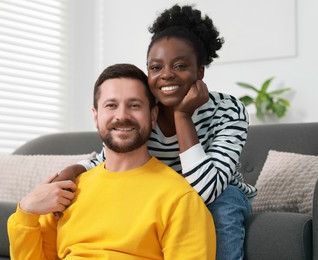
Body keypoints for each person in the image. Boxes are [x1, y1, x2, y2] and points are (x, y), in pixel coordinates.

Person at [55, 4, 257, 260]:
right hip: (159, 192)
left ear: (200, 71)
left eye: (180, 66)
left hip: (217, 192)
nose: (166, 76)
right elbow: (109, 157)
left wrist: (182, 116)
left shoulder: (228, 110)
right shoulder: (144, 109)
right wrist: (74, 170)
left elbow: (206, 191)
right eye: (156, 67)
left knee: (223, 207)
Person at [7, 63, 216, 259]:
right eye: (111, 105)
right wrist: (27, 211)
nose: (122, 115)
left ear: (152, 116)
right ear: (96, 116)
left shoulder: (180, 199)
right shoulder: (66, 192)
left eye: (134, 105)